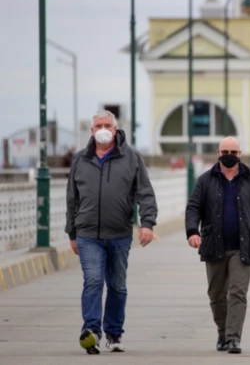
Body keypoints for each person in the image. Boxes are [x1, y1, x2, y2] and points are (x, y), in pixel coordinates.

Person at [65, 110, 157, 355]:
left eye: (108, 125)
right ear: (92, 131)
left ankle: (114, 333)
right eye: (98, 125)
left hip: (119, 233)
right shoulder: (80, 160)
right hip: (87, 235)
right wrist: (71, 233)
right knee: (93, 281)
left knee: (117, 285)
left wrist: (147, 223)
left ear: (115, 130)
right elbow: (72, 199)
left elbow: (145, 193)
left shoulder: (132, 158)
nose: (103, 129)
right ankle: (92, 331)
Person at [185, 136, 250, 355]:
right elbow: (193, 207)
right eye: (224, 151)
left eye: (233, 153)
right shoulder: (205, 180)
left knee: (237, 292)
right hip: (213, 245)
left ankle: (234, 338)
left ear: (239, 154)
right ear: (217, 153)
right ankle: (223, 333)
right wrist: (192, 231)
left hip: (244, 247)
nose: (228, 156)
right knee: (216, 294)